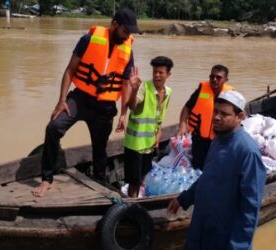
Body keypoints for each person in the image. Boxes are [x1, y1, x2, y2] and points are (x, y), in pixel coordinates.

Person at [32, 8, 141, 197]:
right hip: (81, 98)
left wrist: (123, 113)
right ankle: (46, 179)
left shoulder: (127, 50)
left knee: (100, 147)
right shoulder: (88, 39)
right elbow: (70, 70)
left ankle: (100, 180)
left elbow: (125, 84)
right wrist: (61, 100)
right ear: (114, 24)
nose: (127, 36)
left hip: (105, 106)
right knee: (54, 127)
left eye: (130, 32)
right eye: (125, 31)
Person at [168, 90, 267, 250]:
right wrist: (184, 198)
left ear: (240, 117)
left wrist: (238, 246)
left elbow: (250, 207)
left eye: (224, 114)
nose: (216, 117)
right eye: (215, 111)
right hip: (201, 225)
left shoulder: (247, 152)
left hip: (223, 235)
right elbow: (208, 177)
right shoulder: (218, 139)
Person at [123, 56, 173, 198]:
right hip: (135, 144)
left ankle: (136, 202)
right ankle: (132, 207)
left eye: (160, 72)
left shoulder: (168, 92)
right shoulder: (143, 87)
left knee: (143, 177)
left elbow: (159, 116)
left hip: (149, 144)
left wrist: (159, 132)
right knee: (134, 181)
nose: (157, 75)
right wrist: (133, 90)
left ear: (168, 74)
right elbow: (133, 105)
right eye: (155, 72)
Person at [177, 65, 234, 170]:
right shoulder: (201, 90)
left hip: (219, 139)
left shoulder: (231, 95)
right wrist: (183, 124)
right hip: (199, 138)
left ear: (225, 80)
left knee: (217, 167)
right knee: (198, 167)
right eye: (212, 77)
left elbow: (238, 117)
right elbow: (186, 108)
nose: (214, 80)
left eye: (218, 77)